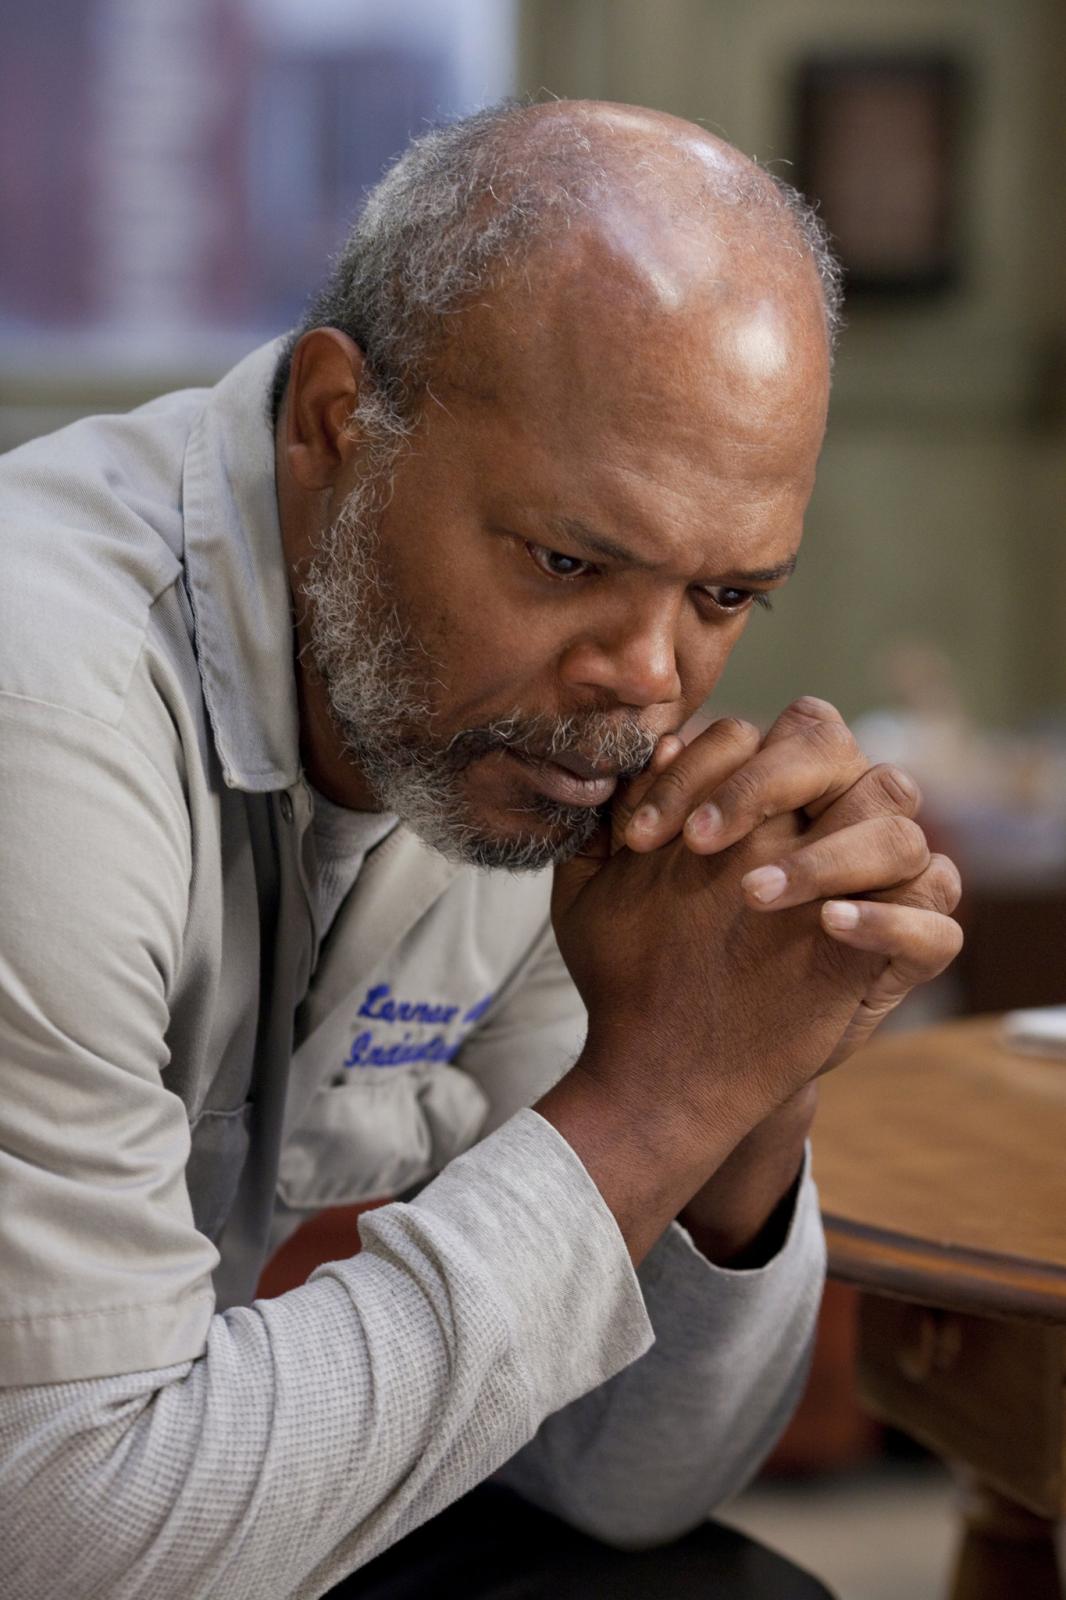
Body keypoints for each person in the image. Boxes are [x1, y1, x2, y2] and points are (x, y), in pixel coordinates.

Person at [0, 100, 961, 1598]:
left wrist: (748, 1092)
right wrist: (654, 1099)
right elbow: (68, 1540)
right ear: (337, 422)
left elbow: (621, 1486)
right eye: (568, 561)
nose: (646, 682)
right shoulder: (46, 711)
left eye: (722, 598)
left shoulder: (507, 753)